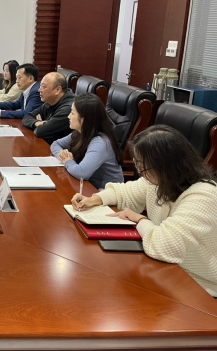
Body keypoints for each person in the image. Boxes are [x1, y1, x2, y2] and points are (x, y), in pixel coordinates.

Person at [71, 125, 217, 296]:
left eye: (143, 167)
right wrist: (94, 199)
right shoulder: (159, 181)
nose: (141, 173)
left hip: (201, 286)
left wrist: (140, 220)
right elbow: (124, 192)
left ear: (165, 166)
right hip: (168, 270)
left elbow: (165, 246)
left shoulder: (204, 196)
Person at [51, 93, 123, 189]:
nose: (68, 116)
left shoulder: (100, 142)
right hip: (88, 186)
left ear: (84, 118)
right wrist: (62, 154)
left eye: (72, 113)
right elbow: (55, 144)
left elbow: (82, 173)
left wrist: (68, 161)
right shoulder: (79, 133)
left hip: (106, 192)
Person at [22, 72, 74, 144]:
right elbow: (27, 117)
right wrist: (37, 123)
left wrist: (43, 126)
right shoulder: (50, 101)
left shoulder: (68, 109)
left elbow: (40, 132)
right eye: (40, 86)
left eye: (43, 87)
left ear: (57, 90)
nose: (39, 90)